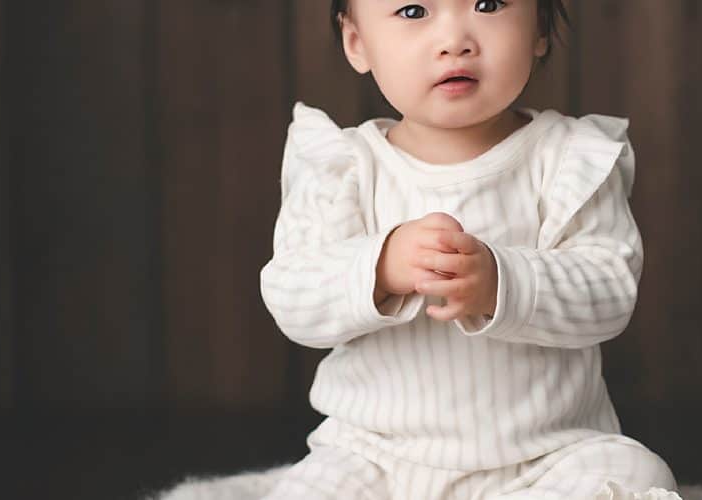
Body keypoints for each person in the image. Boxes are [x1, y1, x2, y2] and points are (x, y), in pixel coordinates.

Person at [258, 0, 679, 498]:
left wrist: (505, 283)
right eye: (413, 11)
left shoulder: (569, 160)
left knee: (634, 476)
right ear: (357, 42)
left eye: (488, 4)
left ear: (539, 29)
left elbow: (609, 289)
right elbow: (293, 295)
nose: (455, 39)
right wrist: (380, 267)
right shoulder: (343, 167)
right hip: (375, 454)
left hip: (545, 456)